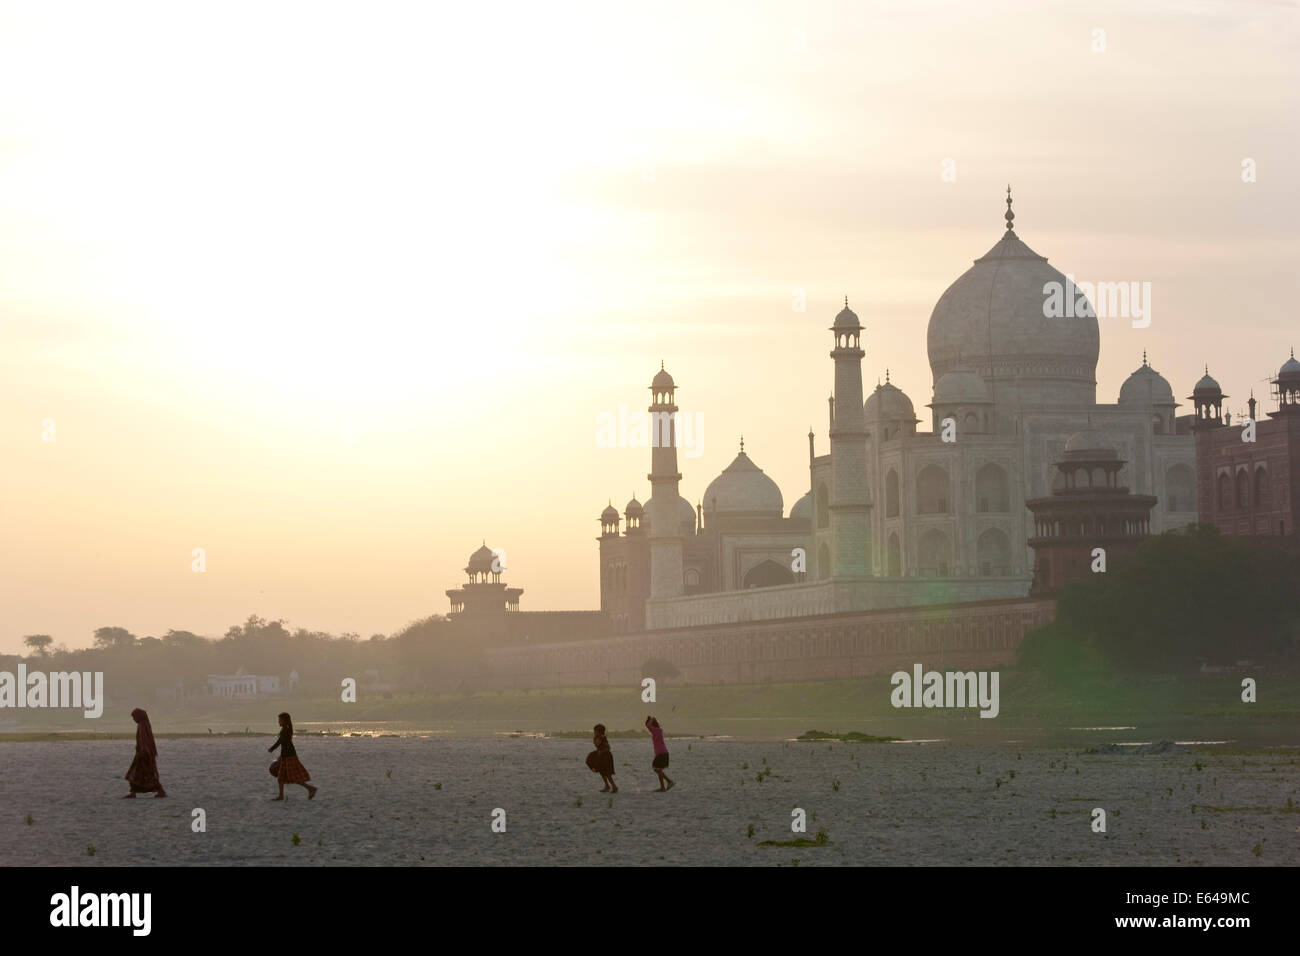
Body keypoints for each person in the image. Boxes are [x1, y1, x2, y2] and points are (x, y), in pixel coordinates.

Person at [268, 712, 317, 800]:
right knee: (281, 777)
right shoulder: (286, 729)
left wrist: (272, 748)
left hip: (289, 756)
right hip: (285, 756)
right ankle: (281, 796)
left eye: (280, 720)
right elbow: (283, 744)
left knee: (292, 777)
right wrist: (280, 756)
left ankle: (311, 788)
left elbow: (280, 742)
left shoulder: (285, 730)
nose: (278, 722)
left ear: (284, 721)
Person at [123, 708, 167, 798]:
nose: (134, 719)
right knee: (138, 773)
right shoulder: (143, 725)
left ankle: (160, 791)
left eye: (134, 717)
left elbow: (145, 741)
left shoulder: (142, 726)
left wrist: (144, 752)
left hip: (144, 754)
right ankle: (133, 792)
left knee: (145, 773)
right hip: (143, 753)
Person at [645, 715, 674, 791]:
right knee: (659, 769)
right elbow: (648, 725)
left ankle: (669, 781)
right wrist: (652, 720)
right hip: (662, 753)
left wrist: (651, 719)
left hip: (661, 753)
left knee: (656, 768)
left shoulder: (655, 730)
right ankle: (662, 787)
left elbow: (648, 725)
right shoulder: (658, 730)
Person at [586, 723, 617, 793]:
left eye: (596, 731)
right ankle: (607, 786)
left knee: (607, 773)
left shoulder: (603, 738)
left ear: (600, 732)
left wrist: (602, 751)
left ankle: (614, 786)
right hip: (601, 757)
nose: (594, 732)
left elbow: (608, 748)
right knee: (602, 772)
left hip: (606, 757)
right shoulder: (597, 738)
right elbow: (597, 745)